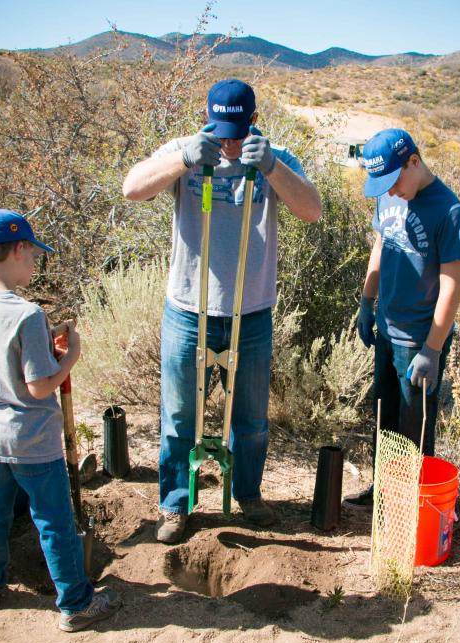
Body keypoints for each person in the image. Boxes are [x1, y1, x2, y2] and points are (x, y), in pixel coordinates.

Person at [122, 79, 321, 544]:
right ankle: (175, 504)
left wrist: (270, 166)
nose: (228, 142)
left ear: (253, 121)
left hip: (249, 313)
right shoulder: (186, 149)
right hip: (188, 311)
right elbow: (132, 188)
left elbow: (312, 209)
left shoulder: (275, 156)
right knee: (178, 418)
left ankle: (248, 494)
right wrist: (184, 159)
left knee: (250, 419)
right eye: (221, 130)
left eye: (237, 130)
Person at [0, 209, 118, 632]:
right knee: (55, 522)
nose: (34, 263)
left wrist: (46, 342)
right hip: (31, 438)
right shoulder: (26, 314)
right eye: (32, 254)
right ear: (19, 249)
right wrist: (72, 357)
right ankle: (76, 602)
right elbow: (39, 388)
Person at [344, 128, 460, 510]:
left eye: (394, 180)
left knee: (414, 431)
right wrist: (367, 301)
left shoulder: (449, 211)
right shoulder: (389, 195)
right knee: (384, 420)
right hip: (386, 329)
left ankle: (410, 508)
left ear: (414, 162)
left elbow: (451, 286)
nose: (391, 190)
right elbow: (381, 245)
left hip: (418, 340)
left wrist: (432, 348)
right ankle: (383, 491)